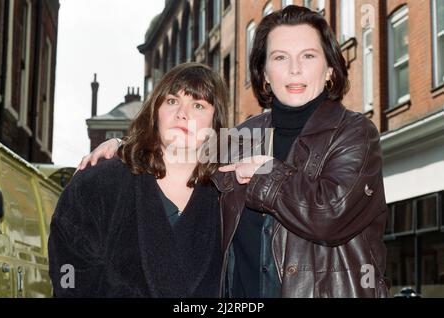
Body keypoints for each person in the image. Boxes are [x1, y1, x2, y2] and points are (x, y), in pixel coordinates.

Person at [78, 5, 389, 298]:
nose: (295, 70)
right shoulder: (241, 138)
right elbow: (181, 153)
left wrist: (264, 175)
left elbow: (329, 217)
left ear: (331, 69)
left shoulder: (355, 133)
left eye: (308, 56)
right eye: (280, 58)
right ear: (265, 73)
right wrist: (123, 147)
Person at [48, 62, 229, 297]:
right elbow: (68, 271)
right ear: (155, 112)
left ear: (215, 123)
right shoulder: (98, 184)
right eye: (172, 101)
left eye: (198, 105)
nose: (182, 114)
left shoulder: (229, 194)